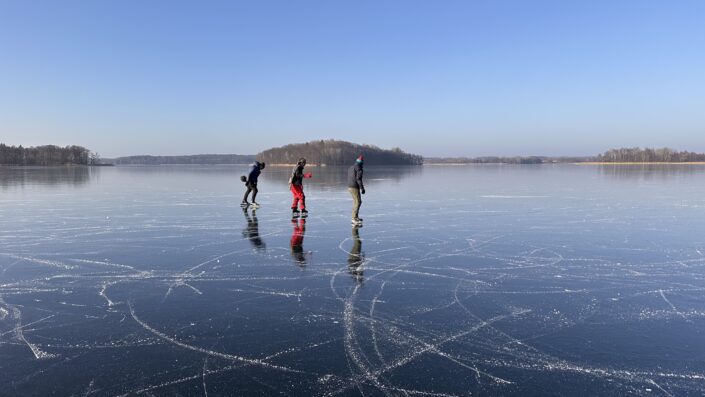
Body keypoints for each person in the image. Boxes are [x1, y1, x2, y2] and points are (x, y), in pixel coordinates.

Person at [347, 155, 365, 225]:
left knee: (356, 202)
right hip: (354, 187)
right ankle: (354, 218)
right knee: (358, 202)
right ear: (362, 162)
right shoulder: (359, 168)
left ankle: (355, 217)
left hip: (350, 186)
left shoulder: (351, 167)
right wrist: (362, 188)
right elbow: (358, 179)